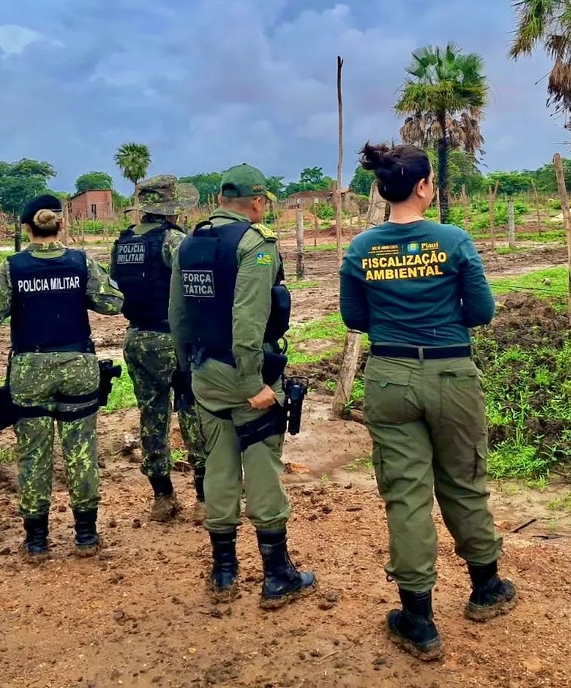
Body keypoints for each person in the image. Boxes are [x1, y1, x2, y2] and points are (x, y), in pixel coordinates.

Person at [339, 142, 515, 661]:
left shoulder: (361, 248)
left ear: (381, 188)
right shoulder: (454, 240)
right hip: (452, 374)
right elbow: (481, 311)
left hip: (389, 377)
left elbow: (355, 319)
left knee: (407, 495)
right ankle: (486, 589)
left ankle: (418, 619)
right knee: (463, 481)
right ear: (423, 187)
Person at [169, 163, 316, 609]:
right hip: (245, 374)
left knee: (218, 465)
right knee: (262, 466)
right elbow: (248, 322)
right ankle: (276, 576)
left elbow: (177, 317)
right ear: (256, 202)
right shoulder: (256, 244)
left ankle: (223, 572)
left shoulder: (190, 244)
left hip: (204, 373)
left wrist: (187, 370)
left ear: (219, 200)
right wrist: (255, 384)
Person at [0, 194, 123, 557]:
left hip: (29, 371)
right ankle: (86, 535)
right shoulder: (80, 263)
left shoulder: (12, 267)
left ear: (26, 227)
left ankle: (36, 540)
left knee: (33, 453)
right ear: (62, 224)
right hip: (77, 366)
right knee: (81, 449)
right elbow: (113, 303)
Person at [110, 175, 208, 524]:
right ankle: (203, 497)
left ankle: (162, 497)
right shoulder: (174, 241)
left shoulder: (123, 243)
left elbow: (117, 286)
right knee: (192, 412)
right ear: (173, 210)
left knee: (152, 415)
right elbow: (195, 284)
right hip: (172, 340)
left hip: (136, 338)